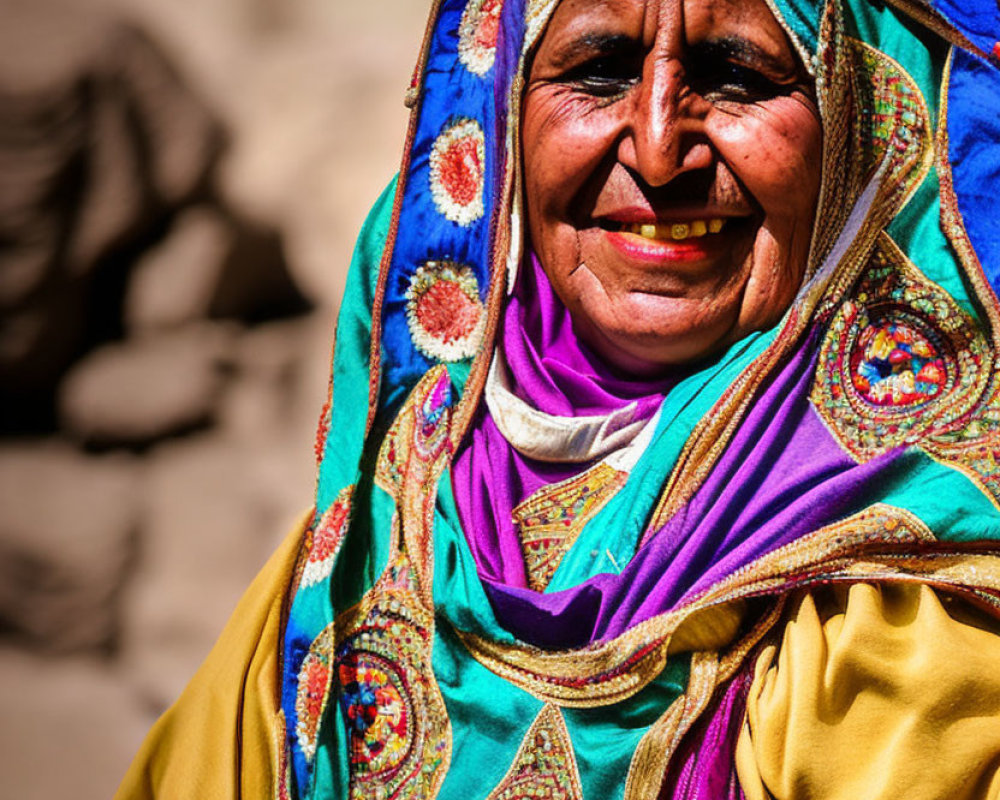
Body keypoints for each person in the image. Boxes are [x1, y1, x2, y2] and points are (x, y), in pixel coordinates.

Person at [117, 0, 1000, 797]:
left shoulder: (916, 620)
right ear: (505, 112)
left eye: (737, 78)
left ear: (867, 132)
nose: (658, 150)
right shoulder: (388, 512)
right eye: (598, 69)